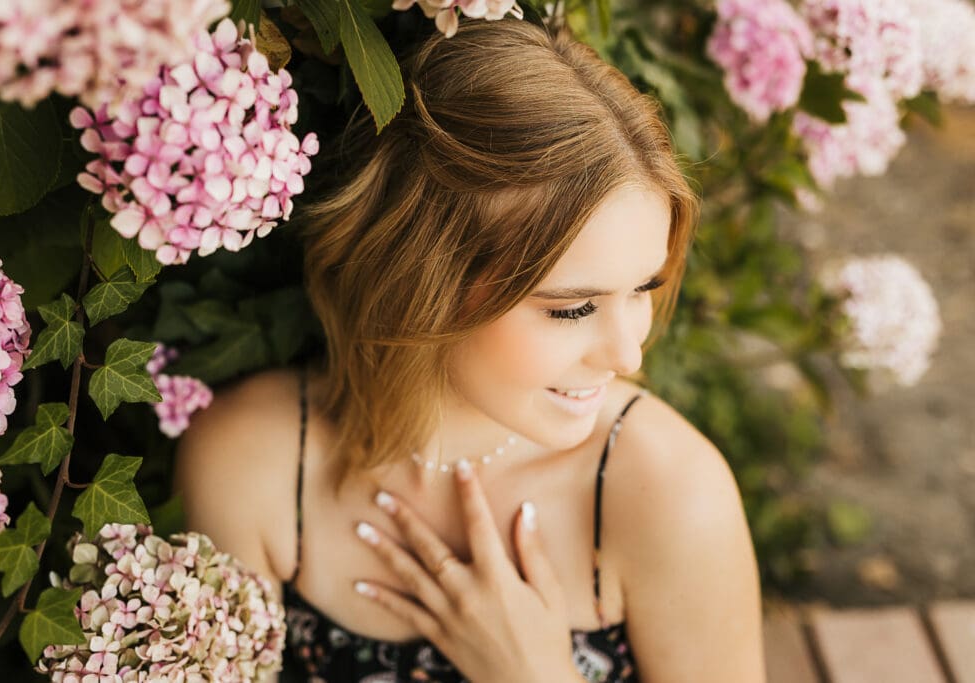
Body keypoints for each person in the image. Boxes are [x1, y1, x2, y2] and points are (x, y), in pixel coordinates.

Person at [174, 15, 766, 683]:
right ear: (418, 278)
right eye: (571, 307)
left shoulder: (669, 495)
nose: (628, 355)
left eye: (644, 287)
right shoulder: (257, 467)